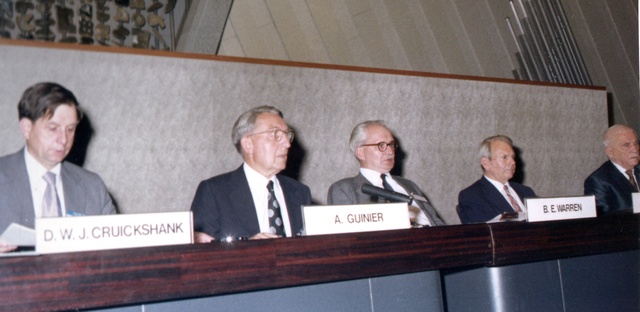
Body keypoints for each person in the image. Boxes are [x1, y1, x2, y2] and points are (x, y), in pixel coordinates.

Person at [0, 82, 116, 253]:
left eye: (70, 129)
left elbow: (115, 256)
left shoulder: (93, 188)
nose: (63, 139)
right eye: (53, 128)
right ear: (26, 128)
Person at [190, 106, 312, 242]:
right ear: (248, 144)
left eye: (287, 135)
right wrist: (246, 251)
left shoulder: (300, 193)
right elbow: (200, 255)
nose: (287, 144)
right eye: (276, 134)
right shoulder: (214, 192)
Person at [327, 120, 444, 226]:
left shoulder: (410, 185)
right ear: (360, 152)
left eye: (391, 145)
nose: (390, 151)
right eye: (381, 145)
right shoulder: (344, 189)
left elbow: (438, 224)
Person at [458, 135, 535, 224]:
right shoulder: (472, 196)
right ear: (486, 163)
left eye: (513, 157)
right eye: (505, 157)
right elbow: (478, 234)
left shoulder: (526, 191)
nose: (513, 162)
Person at [584, 124, 639, 215]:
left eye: (636, 143)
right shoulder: (598, 181)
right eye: (626, 145)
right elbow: (603, 222)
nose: (635, 149)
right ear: (610, 152)